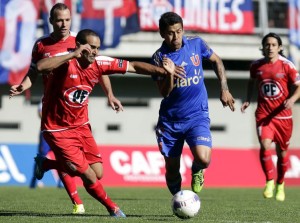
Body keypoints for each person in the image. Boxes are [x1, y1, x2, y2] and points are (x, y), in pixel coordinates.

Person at [9, 28, 184, 217]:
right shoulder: (64, 62)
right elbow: (41, 67)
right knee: (87, 174)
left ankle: (47, 165)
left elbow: (133, 66)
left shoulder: (99, 62)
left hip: (82, 126)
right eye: (91, 47)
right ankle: (113, 208)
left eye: (97, 48)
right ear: (78, 46)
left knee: (97, 172)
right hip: (57, 129)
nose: (95, 52)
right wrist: (73, 55)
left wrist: (163, 71)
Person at [12, 3, 124, 214]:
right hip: (55, 114)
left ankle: (47, 165)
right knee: (80, 170)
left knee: (96, 172)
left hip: (79, 116)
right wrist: (23, 85)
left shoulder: (79, 41)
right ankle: (101, 207)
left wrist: (110, 94)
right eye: (59, 20)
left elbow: (100, 66)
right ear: (51, 21)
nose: (63, 24)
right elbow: (34, 72)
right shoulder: (41, 45)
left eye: (67, 19)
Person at [151, 12, 235, 196]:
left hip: (197, 115)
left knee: (204, 159)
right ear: (162, 34)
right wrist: (171, 74)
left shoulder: (196, 43)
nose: (176, 37)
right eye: (171, 33)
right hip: (170, 121)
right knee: (172, 168)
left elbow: (217, 61)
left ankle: (197, 170)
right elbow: (164, 93)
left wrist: (224, 88)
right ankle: (178, 199)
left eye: (179, 31)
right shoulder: (159, 58)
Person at [241, 32, 300, 201]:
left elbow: (298, 87)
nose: (270, 47)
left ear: (280, 48)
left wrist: (292, 99)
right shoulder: (257, 66)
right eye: (267, 44)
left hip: (283, 117)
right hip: (264, 114)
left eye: (274, 45)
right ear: (263, 47)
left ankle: (280, 184)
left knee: (282, 154)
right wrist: (248, 99)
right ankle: (269, 181)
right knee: (265, 145)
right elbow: (252, 81)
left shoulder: (287, 66)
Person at [29, 100, 63, 189]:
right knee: (41, 157)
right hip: (46, 132)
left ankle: (62, 181)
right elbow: (40, 113)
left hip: (58, 133)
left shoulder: (61, 99)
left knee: (61, 157)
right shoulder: (44, 100)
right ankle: (34, 180)